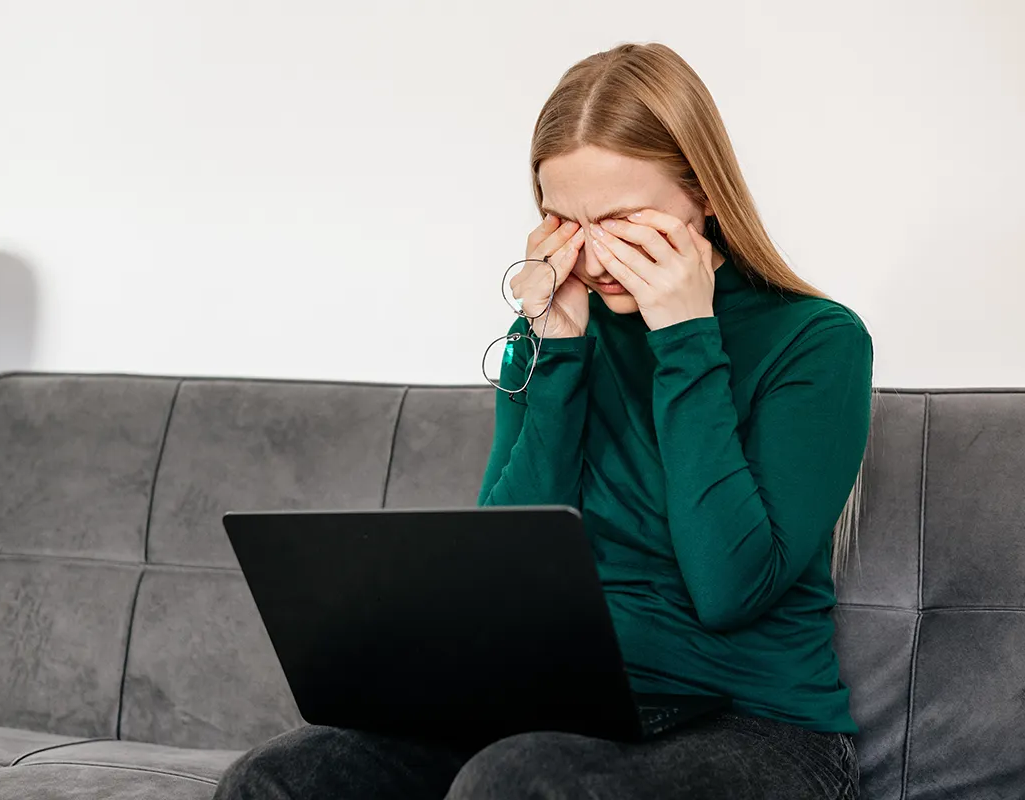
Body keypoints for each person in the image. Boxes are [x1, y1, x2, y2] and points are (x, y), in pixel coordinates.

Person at [215, 41, 869, 800]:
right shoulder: (556, 324)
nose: (589, 257)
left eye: (623, 219)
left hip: (763, 730)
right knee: (280, 779)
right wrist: (558, 351)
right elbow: (504, 562)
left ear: (707, 196)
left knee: (515, 783)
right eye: (564, 219)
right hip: (562, 713)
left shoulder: (818, 341)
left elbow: (729, 588)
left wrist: (687, 338)